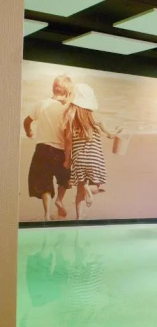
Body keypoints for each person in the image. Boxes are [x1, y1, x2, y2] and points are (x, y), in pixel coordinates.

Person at [24, 75, 74, 221]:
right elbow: (68, 136)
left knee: (44, 182)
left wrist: (29, 131)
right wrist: (68, 158)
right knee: (64, 178)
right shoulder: (68, 108)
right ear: (68, 90)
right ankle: (59, 200)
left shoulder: (42, 104)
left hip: (42, 149)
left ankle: (47, 213)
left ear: (53, 88)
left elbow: (27, 121)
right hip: (60, 150)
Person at [63, 83, 115, 220]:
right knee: (96, 187)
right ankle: (89, 189)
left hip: (79, 160)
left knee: (79, 190)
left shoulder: (70, 120)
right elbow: (109, 134)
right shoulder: (95, 119)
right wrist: (112, 133)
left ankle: (79, 217)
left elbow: (68, 142)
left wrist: (67, 160)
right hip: (94, 159)